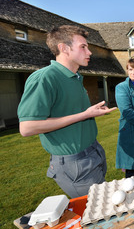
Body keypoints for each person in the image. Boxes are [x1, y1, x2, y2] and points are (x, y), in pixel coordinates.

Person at [17, 25, 117, 198]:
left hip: (93, 152)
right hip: (75, 163)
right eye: (83, 47)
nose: (90, 52)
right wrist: (85, 115)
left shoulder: (75, 77)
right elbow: (27, 128)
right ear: (63, 48)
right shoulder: (45, 78)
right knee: (99, 213)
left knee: (105, 205)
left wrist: (89, 112)